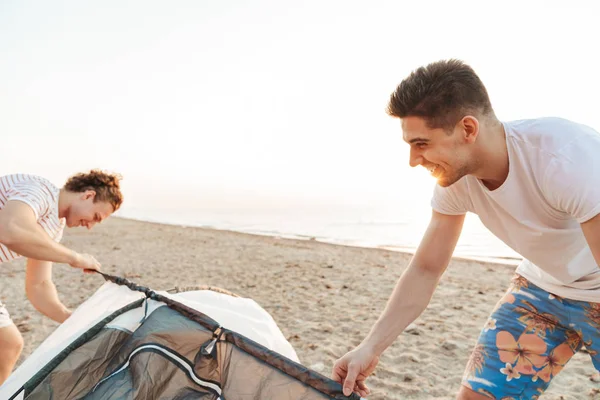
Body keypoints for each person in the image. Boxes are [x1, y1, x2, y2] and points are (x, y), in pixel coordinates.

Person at [332, 59, 600, 399]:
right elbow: (426, 269)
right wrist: (370, 347)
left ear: (468, 130)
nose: (414, 160)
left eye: (422, 143)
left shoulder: (564, 160)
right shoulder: (454, 181)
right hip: (541, 289)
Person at [0, 170, 123, 385]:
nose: (90, 226)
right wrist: (74, 257)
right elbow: (10, 229)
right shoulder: (39, 189)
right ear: (87, 195)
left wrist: (70, 318)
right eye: (95, 217)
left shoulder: (55, 228)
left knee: (8, 344)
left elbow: (39, 285)